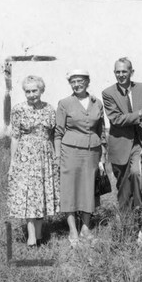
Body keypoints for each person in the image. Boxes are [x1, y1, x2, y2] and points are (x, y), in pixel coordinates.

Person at [102, 58, 142, 241]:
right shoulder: (108, 93)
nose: (121, 75)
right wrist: (140, 114)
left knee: (138, 175)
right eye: (117, 72)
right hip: (120, 145)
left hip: (139, 144)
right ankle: (124, 225)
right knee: (123, 189)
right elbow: (116, 119)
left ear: (131, 71)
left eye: (124, 71)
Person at [55, 70, 107, 247]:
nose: (76, 84)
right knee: (69, 190)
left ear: (87, 82)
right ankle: (72, 230)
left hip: (92, 151)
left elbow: (102, 131)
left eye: (80, 81)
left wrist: (102, 156)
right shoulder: (64, 103)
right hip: (69, 151)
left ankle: (86, 227)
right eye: (73, 82)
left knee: (88, 189)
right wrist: (57, 155)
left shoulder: (97, 103)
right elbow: (58, 133)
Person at [8, 75, 59, 247]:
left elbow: (53, 136)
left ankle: (39, 234)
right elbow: (15, 137)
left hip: (45, 156)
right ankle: (31, 237)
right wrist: (12, 162)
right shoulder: (18, 109)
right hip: (25, 157)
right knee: (29, 195)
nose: (31, 94)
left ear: (42, 90)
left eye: (34, 90)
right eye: (27, 91)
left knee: (42, 195)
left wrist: (55, 158)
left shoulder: (50, 110)